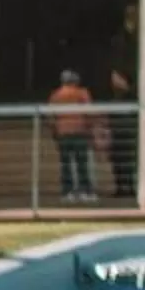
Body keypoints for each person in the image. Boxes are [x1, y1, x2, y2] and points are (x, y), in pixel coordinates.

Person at [47, 66, 96, 202]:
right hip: (80, 131)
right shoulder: (82, 93)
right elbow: (89, 112)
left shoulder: (56, 95)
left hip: (63, 132)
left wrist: (54, 132)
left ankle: (67, 192)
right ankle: (86, 191)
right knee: (82, 163)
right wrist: (90, 129)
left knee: (65, 164)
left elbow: (51, 116)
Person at [105, 68, 139, 204]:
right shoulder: (115, 98)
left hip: (127, 133)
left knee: (127, 162)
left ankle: (129, 187)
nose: (114, 82)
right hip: (116, 133)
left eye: (117, 78)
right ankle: (120, 186)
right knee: (117, 162)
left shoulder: (131, 97)